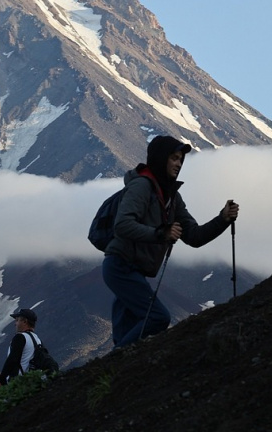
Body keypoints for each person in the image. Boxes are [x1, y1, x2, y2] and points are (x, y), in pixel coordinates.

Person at [102, 135, 239, 348]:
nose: (178, 164)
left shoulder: (172, 198)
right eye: (174, 158)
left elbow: (194, 236)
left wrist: (222, 219)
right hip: (120, 266)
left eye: (180, 160)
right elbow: (122, 225)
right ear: (160, 158)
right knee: (157, 318)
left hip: (131, 270)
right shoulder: (141, 187)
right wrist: (160, 233)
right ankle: (113, 368)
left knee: (126, 337)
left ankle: (111, 375)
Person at [0, 308, 43, 387]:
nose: (15, 324)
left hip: (17, 382)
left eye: (17, 320)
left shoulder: (20, 337)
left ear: (24, 321)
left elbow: (12, 359)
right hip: (32, 381)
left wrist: (0, 380)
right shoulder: (37, 339)